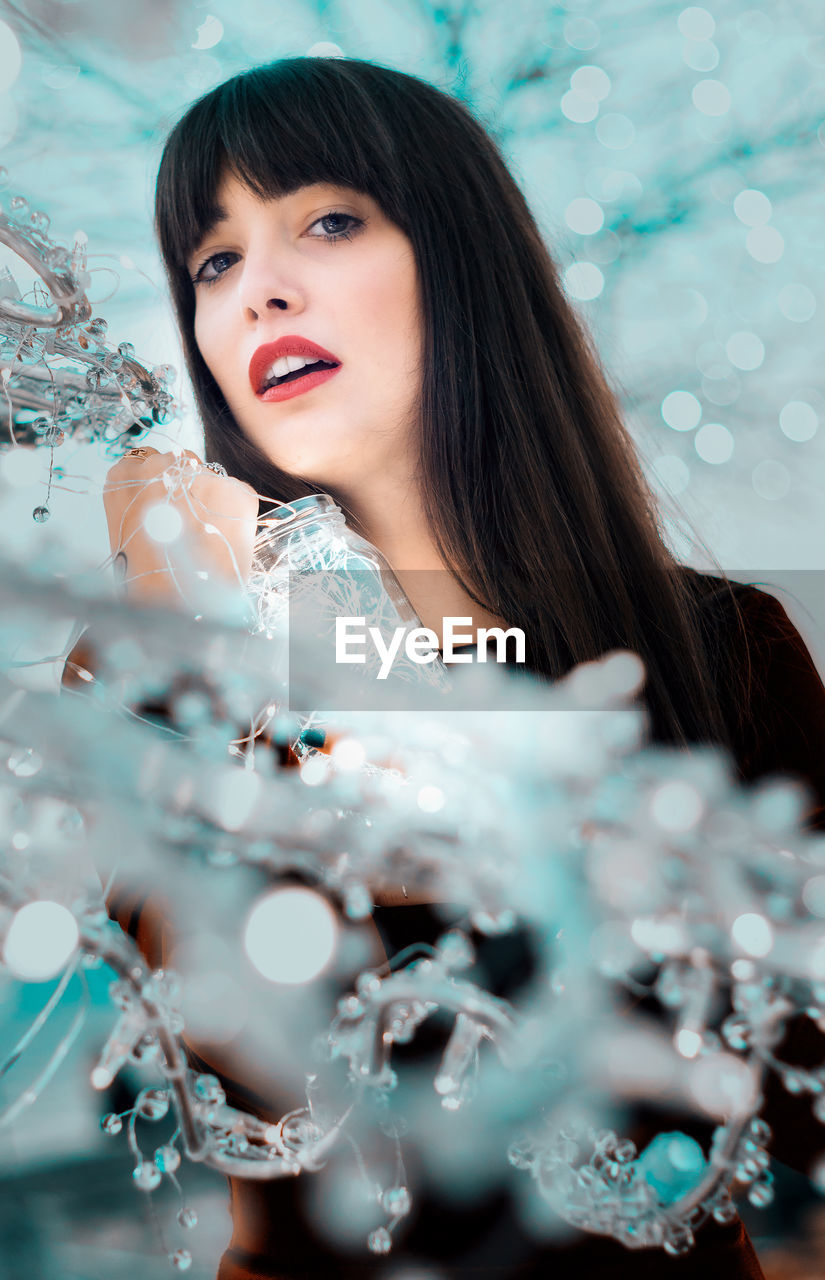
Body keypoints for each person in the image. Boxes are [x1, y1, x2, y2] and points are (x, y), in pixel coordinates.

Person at [68, 56, 825, 1280]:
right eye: (214, 261)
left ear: (462, 260)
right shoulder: (155, 665)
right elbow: (256, 1083)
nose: (259, 289)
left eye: (325, 219)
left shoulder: (726, 657)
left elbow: (790, 1113)